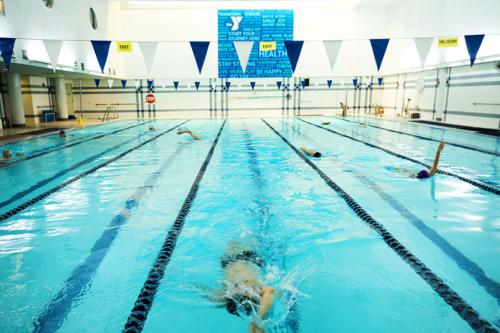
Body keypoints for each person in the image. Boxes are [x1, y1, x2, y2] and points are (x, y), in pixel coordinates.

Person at [209, 241, 275, 333]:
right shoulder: (249, 290)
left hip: (235, 260)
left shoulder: (226, 296)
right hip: (246, 258)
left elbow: (270, 291)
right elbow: (270, 291)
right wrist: (258, 322)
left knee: (236, 241)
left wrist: (258, 323)